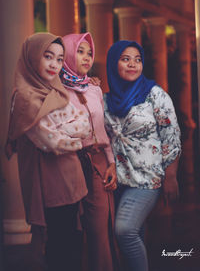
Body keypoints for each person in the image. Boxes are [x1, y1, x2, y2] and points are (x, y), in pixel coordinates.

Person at [5, 32, 91, 271]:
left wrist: (61, 129)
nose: (55, 65)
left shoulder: (58, 90)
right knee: (58, 249)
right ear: (33, 57)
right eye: (48, 57)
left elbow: (84, 125)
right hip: (51, 185)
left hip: (73, 181)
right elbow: (49, 142)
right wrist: (69, 133)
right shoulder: (24, 98)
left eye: (60, 59)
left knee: (73, 245)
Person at [103, 40, 181, 271]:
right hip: (116, 180)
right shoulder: (106, 100)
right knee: (134, 235)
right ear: (113, 63)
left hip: (147, 179)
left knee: (125, 230)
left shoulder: (155, 95)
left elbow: (172, 136)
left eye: (137, 59)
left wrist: (171, 176)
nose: (133, 64)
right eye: (125, 59)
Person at [59, 32, 119, 271]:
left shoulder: (93, 89)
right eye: (79, 51)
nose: (86, 57)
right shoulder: (57, 91)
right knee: (71, 230)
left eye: (89, 52)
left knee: (99, 230)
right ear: (68, 55)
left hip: (97, 165)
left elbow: (104, 129)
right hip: (68, 164)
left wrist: (111, 162)